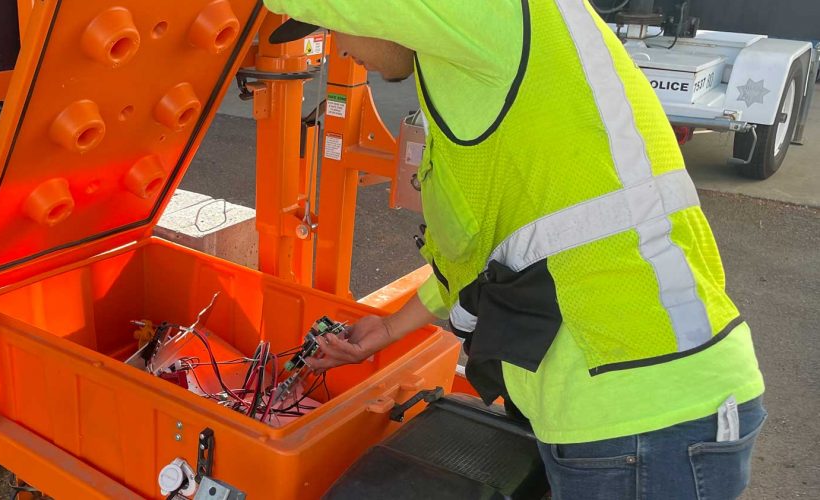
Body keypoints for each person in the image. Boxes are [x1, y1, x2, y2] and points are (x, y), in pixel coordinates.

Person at [266, 1, 766, 498]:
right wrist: (390, 327)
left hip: (648, 416)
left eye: (336, 25)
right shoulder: (469, 71)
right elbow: (481, 255)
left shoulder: (500, 15)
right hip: (604, 417)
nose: (344, 49)